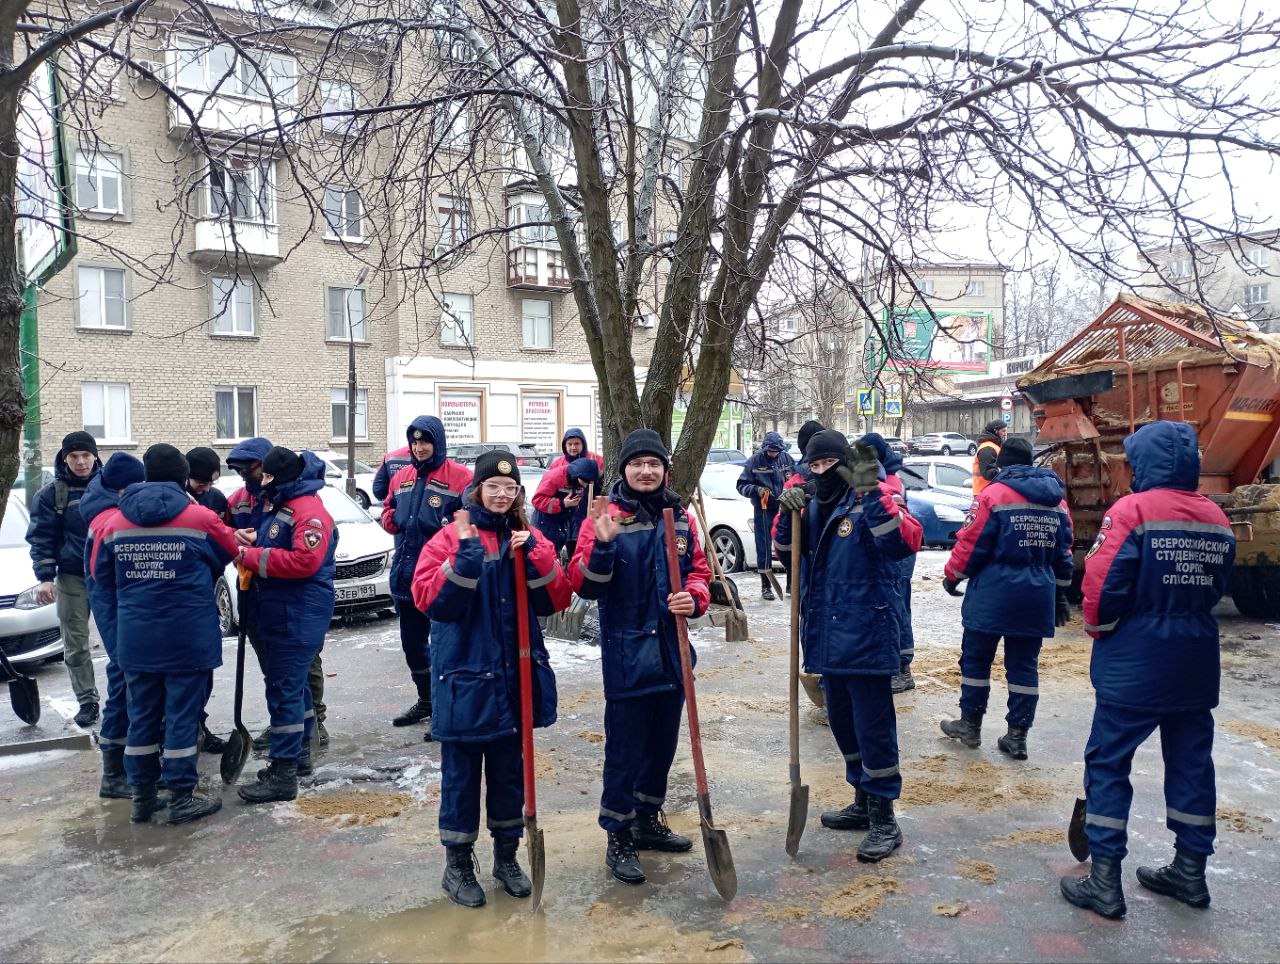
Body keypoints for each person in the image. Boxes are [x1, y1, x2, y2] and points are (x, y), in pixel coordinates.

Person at [1061, 421, 1235, 920]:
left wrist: (1101, 630)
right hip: (1195, 660)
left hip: (1136, 659)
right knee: (1192, 763)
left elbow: (1101, 586)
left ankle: (1104, 881)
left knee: (1108, 762)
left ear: (1144, 463)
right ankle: (1190, 872)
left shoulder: (1132, 511)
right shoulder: (1215, 517)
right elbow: (1219, 584)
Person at [412, 451, 571, 908]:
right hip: (464, 677)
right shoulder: (450, 536)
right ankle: (458, 866)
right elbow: (429, 601)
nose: (501, 495)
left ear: (519, 493)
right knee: (461, 778)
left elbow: (556, 599)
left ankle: (507, 858)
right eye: (493, 487)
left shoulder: (527, 537)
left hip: (513, 677)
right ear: (477, 489)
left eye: (510, 488)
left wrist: (536, 553)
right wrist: (463, 561)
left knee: (508, 776)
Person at [568, 428, 712, 885]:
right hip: (629, 655)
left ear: (664, 470)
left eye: (654, 464)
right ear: (624, 469)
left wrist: (694, 596)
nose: (646, 471)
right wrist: (603, 545)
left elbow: (700, 571)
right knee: (625, 752)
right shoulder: (605, 516)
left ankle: (647, 820)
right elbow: (585, 585)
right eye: (637, 464)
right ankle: (619, 834)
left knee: (661, 747)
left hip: (673, 654)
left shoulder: (679, 516)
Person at [774, 430, 922, 862]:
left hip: (868, 632)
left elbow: (901, 541)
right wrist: (786, 515)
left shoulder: (872, 498)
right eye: (814, 465)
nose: (821, 472)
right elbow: (786, 553)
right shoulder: (812, 506)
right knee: (842, 722)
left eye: (829, 464)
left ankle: (884, 818)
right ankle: (861, 798)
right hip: (827, 634)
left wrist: (871, 492)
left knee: (873, 729)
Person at [89, 444, 239, 824]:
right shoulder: (200, 517)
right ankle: (181, 797)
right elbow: (227, 552)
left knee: (141, 716)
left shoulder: (113, 523)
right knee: (181, 718)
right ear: (182, 477)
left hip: (137, 638)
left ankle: (142, 797)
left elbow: (98, 575)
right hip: (186, 637)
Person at [939, 437, 1074, 760]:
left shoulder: (993, 495)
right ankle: (1017, 736)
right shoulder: (1056, 500)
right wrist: (1060, 592)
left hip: (993, 593)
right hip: (1037, 595)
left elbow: (972, 543)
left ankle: (970, 725)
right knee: (1024, 667)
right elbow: (1064, 550)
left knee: (976, 660)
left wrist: (953, 575)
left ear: (1002, 465)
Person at [236, 448, 338, 803]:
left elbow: (304, 561)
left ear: (282, 478)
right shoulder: (284, 505)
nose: (261, 482)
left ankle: (283, 773)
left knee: (284, 691)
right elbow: (280, 543)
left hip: (298, 612)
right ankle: (300, 755)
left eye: (267, 476)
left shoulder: (308, 511)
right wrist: (257, 541)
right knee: (295, 688)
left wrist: (249, 555)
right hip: (284, 610)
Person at [226, 437, 329, 750]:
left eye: (254, 470)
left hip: (293, 604)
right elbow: (220, 530)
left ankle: (308, 731)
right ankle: (295, 734)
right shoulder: (242, 500)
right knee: (278, 675)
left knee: (297, 674)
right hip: (259, 599)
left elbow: (303, 559)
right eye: (241, 471)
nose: (249, 477)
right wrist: (233, 536)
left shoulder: (298, 504)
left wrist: (250, 554)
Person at [380, 416, 473, 734]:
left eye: (425, 442)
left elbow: (471, 521)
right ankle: (427, 700)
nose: (419, 448)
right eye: (415, 442)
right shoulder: (401, 476)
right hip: (406, 578)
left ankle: (448, 710)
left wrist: (446, 526)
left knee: (445, 648)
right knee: (413, 646)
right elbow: (388, 511)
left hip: (441, 579)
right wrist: (393, 519)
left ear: (438, 443)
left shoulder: (460, 477)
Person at [80, 452, 146, 800]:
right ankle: (116, 773)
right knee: (124, 683)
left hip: (117, 610)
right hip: (119, 612)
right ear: (124, 488)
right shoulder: (111, 519)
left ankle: (121, 770)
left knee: (125, 681)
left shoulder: (104, 510)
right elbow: (104, 576)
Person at [26, 431, 103, 727]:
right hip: (72, 576)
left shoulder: (111, 486)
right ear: (65, 458)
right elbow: (41, 537)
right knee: (75, 642)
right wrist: (45, 577)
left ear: (95, 456)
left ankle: (128, 700)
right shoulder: (52, 494)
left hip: (109, 576)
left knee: (122, 640)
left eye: (86, 455)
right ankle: (87, 700)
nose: (80, 462)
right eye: (74, 456)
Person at [860, 432, 918, 695]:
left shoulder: (890, 480)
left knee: (898, 609)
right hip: (892, 549)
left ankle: (903, 669)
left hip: (898, 552)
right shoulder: (888, 473)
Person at [736, 431, 794, 600]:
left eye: (776, 451)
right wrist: (756, 490)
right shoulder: (754, 461)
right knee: (764, 547)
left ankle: (791, 583)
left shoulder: (787, 459)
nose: (773, 454)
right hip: (763, 509)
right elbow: (741, 485)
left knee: (789, 544)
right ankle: (766, 586)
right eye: (770, 451)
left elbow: (796, 479)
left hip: (785, 508)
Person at [531, 442, 601, 556]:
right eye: (585, 481)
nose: (585, 485)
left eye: (589, 482)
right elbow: (537, 500)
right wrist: (562, 504)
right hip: (545, 523)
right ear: (576, 475)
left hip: (563, 522)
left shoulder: (577, 478)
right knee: (547, 555)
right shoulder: (554, 477)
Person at [186, 446, 229, 517]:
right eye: (201, 484)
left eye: (211, 483)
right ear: (186, 477)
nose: (207, 489)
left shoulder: (217, 498)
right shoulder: (174, 498)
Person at [972, 419, 1007, 494]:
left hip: (988, 491)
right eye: (1003, 431)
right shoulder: (988, 448)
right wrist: (1007, 475)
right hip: (985, 492)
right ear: (995, 431)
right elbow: (989, 473)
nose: (1005, 434)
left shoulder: (993, 446)